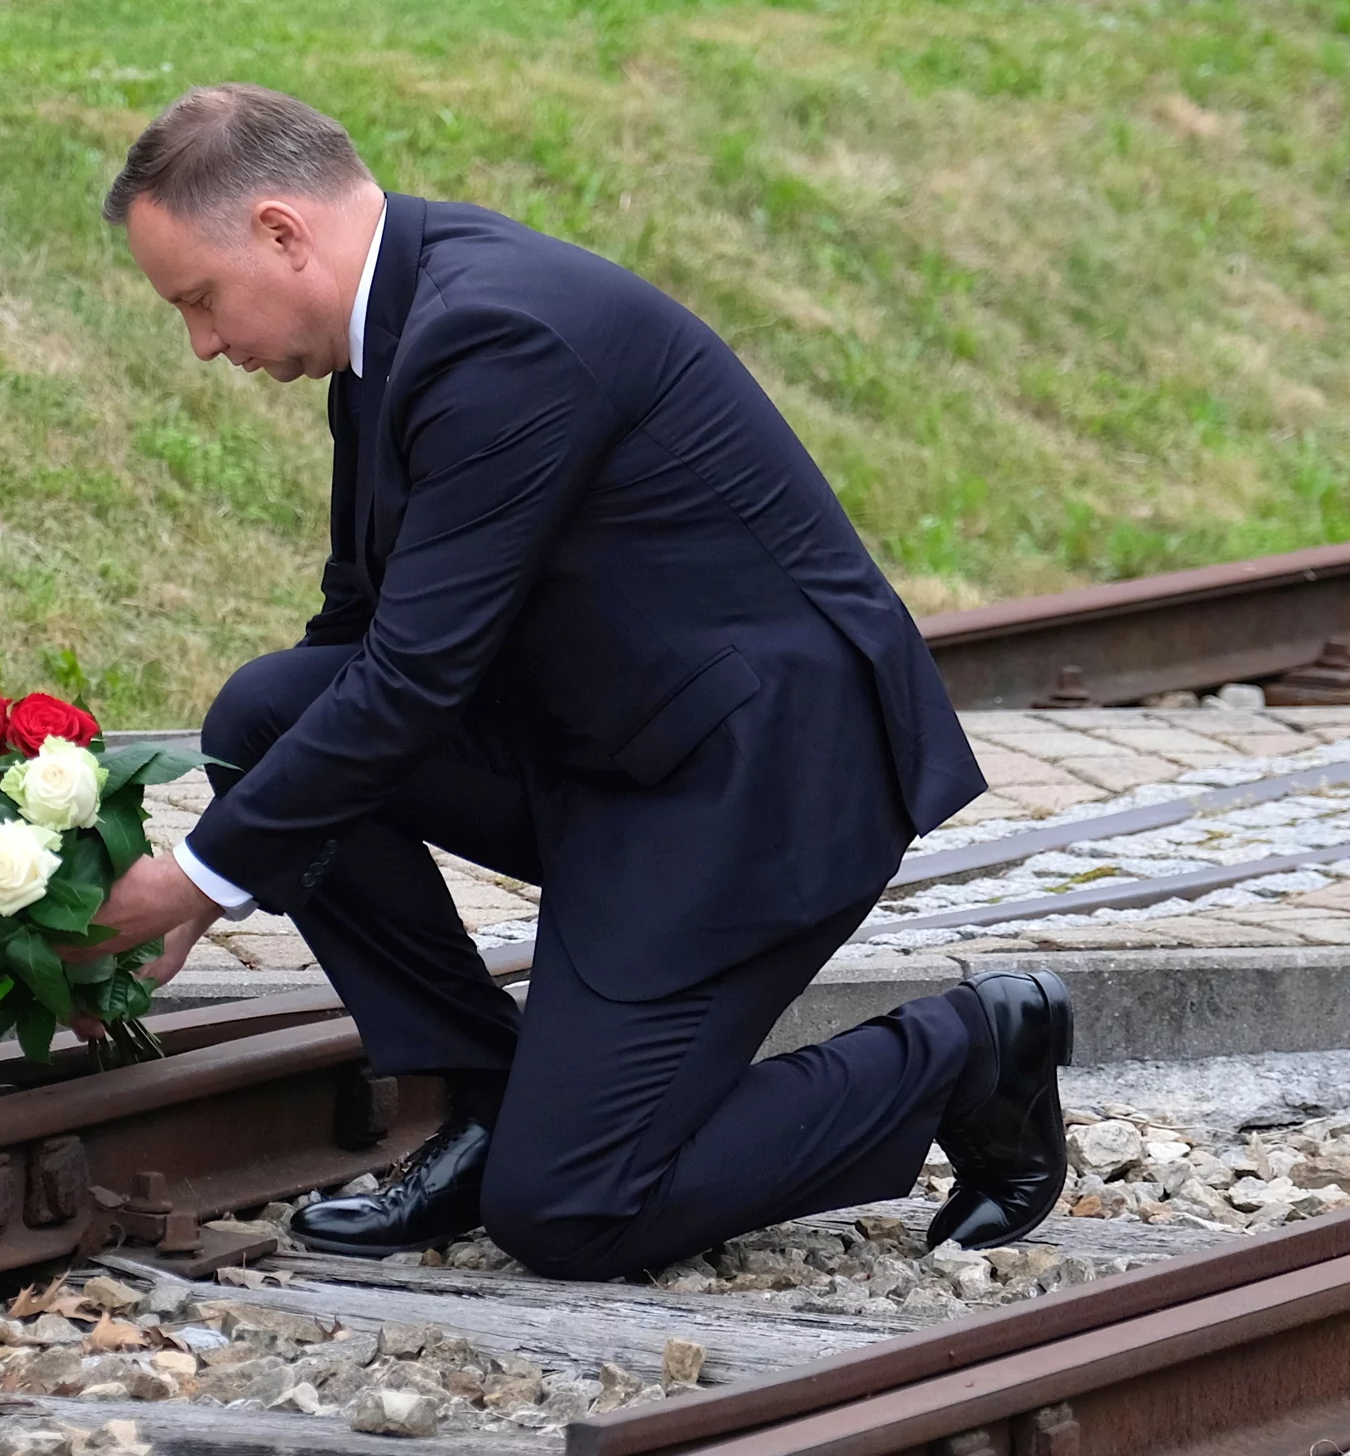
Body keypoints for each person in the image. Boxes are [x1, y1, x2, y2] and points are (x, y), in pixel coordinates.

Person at [75, 84, 1071, 1279]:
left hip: (757, 788)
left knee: (571, 1210)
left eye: (197, 299)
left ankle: (969, 1047)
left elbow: (414, 676)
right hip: (613, 752)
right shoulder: (386, 334)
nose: (200, 342)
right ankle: (489, 1099)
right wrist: (227, 847)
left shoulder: (495, 334)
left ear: (283, 233)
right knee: (268, 711)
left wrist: (194, 878)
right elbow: (359, 632)